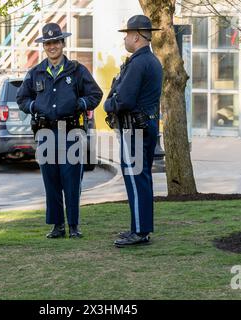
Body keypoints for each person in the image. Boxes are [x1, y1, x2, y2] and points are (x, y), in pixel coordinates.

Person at [17, 23, 103, 239]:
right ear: (44, 47)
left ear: (63, 43)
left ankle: (73, 225)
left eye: (56, 42)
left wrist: (81, 103)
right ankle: (57, 226)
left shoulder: (77, 70)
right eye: (48, 43)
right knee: (51, 180)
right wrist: (33, 106)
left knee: (72, 180)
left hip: (71, 132)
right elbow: (22, 98)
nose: (52, 46)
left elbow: (96, 94)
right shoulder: (35, 73)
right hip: (45, 133)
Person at [104, 15, 163, 247]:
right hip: (142, 127)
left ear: (136, 36)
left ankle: (139, 231)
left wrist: (109, 104)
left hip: (134, 129)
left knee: (136, 179)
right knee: (141, 179)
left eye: (127, 35)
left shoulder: (138, 63)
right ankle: (140, 227)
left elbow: (124, 99)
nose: (125, 39)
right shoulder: (150, 60)